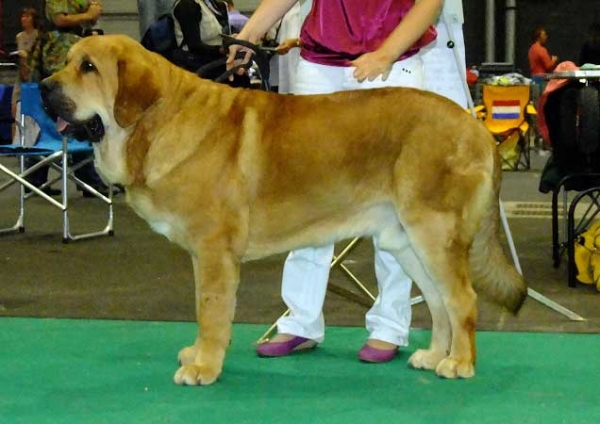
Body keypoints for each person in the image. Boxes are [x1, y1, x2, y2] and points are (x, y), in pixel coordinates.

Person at [228, 0, 442, 363]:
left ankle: (389, 326)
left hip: (392, 65)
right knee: (306, 198)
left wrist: (386, 54)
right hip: (320, 66)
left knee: (393, 206)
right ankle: (300, 322)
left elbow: (430, 3)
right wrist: (248, 35)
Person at [26, 0, 108, 197]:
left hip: (76, 42)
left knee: (71, 113)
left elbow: (95, 12)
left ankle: (81, 176)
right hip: (59, 47)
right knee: (65, 108)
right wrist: (88, 14)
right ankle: (83, 177)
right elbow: (60, 19)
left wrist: (90, 14)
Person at [172, 0, 248, 86]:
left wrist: (231, 41)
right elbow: (194, 45)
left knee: (242, 80)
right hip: (197, 63)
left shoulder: (215, 4)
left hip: (215, 60)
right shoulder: (186, 5)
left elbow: (219, 34)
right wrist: (222, 49)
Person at [11, 7, 40, 142]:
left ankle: (33, 139)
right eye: (23, 16)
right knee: (15, 107)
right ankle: (15, 140)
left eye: (28, 16)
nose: (24, 19)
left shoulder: (38, 35)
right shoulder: (19, 36)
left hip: (33, 75)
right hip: (20, 74)